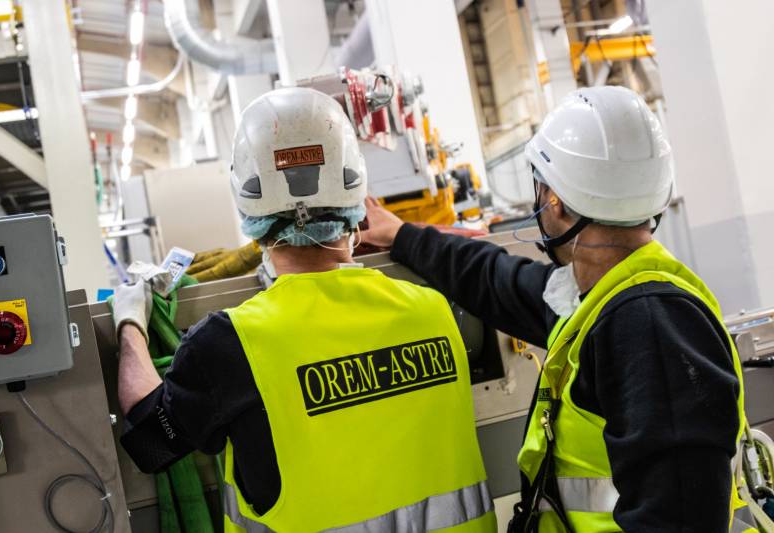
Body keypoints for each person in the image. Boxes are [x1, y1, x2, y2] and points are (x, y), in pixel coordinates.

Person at [361, 86, 756, 533]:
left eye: (541, 187)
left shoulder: (647, 324)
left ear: (557, 203)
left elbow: (681, 521)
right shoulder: (601, 297)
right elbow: (497, 280)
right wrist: (403, 237)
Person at [111, 87, 496, 532]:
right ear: (356, 202)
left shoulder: (229, 343)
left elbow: (151, 440)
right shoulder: (434, 311)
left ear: (249, 206)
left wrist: (130, 322)